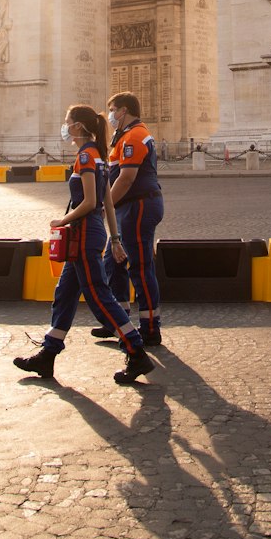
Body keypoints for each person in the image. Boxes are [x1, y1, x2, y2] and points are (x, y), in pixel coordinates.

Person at [13, 104, 155, 385]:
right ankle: (48, 354)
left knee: (99, 296)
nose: (64, 127)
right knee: (64, 294)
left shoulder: (86, 157)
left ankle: (135, 349)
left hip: (83, 235)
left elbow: (91, 203)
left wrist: (61, 220)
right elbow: (108, 204)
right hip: (90, 234)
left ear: (77, 126)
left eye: (67, 122)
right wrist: (114, 239)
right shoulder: (99, 156)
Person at [90, 91, 164, 347]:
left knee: (140, 266)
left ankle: (151, 327)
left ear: (123, 110)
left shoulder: (134, 135)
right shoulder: (123, 135)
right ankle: (118, 322)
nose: (110, 115)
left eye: (112, 110)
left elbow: (126, 178)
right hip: (128, 207)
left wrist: (103, 205)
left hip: (138, 206)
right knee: (113, 262)